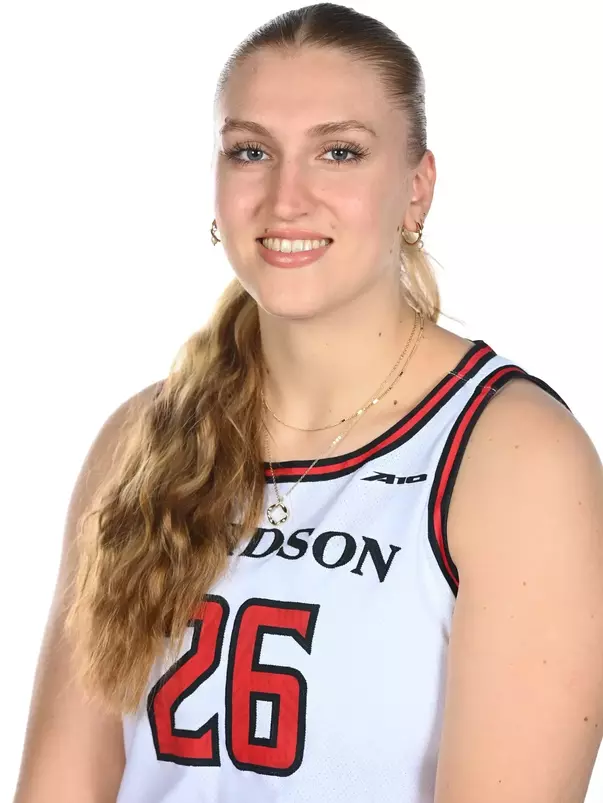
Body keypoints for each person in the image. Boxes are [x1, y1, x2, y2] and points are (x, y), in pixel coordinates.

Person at [14, 3, 603, 802]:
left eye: (339, 152)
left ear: (416, 188)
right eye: (250, 151)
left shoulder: (514, 456)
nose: (286, 197)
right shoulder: (139, 441)